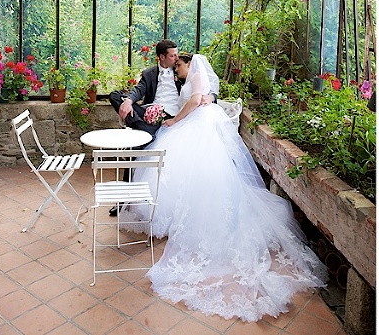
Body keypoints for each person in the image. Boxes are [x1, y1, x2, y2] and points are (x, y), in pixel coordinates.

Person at [120, 53, 327, 322]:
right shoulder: (193, 78)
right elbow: (201, 96)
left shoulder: (194, 75)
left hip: (196, 127)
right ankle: (178, 213)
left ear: (188, 64)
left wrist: (174, 120)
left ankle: (188, 213)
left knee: (187, 168)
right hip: (198, 123)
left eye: (179, 66)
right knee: (184, 169)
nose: (177, 71)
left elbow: (196, 99)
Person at [109, 39, 214, 137]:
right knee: (115, 96)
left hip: (171, 115)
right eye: (173, 56)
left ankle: (145, 131)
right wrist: (128, 101)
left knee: (145, 126)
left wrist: (211, 97)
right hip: (148, 113)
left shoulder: (181, 71)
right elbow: (139, 89)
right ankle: (144, 128)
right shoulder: (149, 74)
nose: (177, 58)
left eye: (177, 54)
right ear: (162, 57)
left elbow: (203, 86)